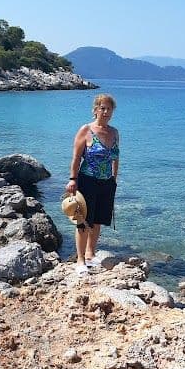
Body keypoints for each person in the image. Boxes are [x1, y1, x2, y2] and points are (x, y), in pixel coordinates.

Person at [65, 93, 120, 274]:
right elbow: (75, 157)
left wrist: (114, 178)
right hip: (87, 180)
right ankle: (80, 260)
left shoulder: (114, 133)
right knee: (83, 220)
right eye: (102, 108)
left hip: (106, 182)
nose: (105, 112)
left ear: (112, 111)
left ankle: (90, 254)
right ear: (95, 110)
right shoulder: (86, 130)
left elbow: (116, 157)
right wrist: (73, 179)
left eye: (109, 109)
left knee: (97, 221)